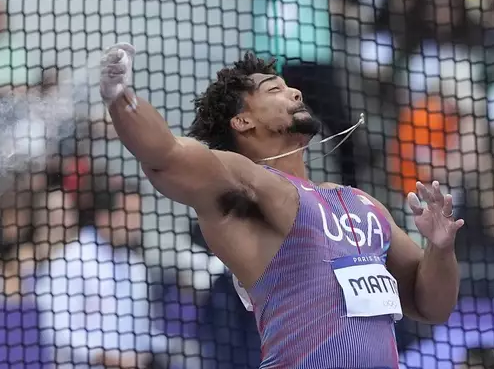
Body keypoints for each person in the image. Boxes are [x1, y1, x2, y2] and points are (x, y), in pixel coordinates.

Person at [99, 42, 465, 368]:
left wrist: (441, 246)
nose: (295, 92)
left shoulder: (362, 204)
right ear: (242, 121)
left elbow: (431, 306)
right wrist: (120, 96)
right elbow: (164, 154)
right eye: (275, 89)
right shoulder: (249, 186)